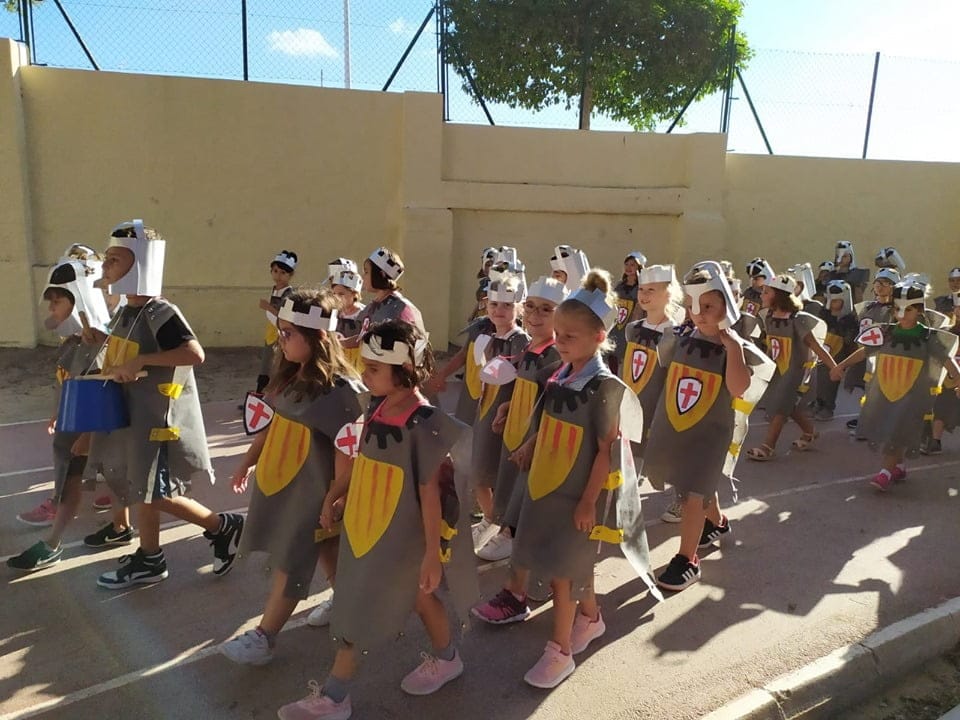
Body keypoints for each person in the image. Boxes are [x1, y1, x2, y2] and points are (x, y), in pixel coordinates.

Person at [277, 320, 475, 720]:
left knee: (374, 598)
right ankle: (448, 657)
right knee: (418, 599)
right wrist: (336, 492)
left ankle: (335, 696)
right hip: (367, 524)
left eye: (372, 369)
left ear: (404, 372)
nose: (363, 375)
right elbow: (364, 458)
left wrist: (432, 554)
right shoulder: (378, 406)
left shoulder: (423, 423)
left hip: (405, 534)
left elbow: (429, 492)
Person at [509, 269, 658, 688]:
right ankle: (590, 618)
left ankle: (560, 652)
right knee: (569, 564)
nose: (559, 342)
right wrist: (530, 445)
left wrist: (589, 502)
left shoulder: (604, 388)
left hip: (577, 494)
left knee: (561, 573)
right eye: (558, 333)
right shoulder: (561, 373)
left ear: (599, 337)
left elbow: (606, 450)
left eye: (569, 336)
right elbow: (551, 420)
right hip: (548, 486)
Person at [85, 220, 243, 588]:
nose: (107, 266)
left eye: (114, 260)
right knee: (144, 488)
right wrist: (96, 341)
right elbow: (121, 353)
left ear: (139, 266)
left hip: (158, 419)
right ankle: (150, 558)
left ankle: (222, 526)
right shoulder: (126, 311)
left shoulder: (160, 311)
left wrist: (141, 362)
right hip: (133, 416)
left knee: (154, 492)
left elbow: (194, 353)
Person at [220, 289, 367, 665]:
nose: (280, 340)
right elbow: (273, 426)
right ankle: (350, 603)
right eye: (280, 332)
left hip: (313, 493)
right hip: (287, 484)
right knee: (328, 551)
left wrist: (336, 497)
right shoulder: (291, 378)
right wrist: (247, 461)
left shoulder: (339, 392)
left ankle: (263, 636)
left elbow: (346, 449)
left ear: (317, 338)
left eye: (289, 334)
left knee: (293, 557)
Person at [644, 261, 773, 592]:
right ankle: (717, 523)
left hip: (710, 433)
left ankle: (688, 559)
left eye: (708, 307)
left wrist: (732, 349)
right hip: (680, 428)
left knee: (693, 493)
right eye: (692, 305)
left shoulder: (734, 345)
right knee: (694, 487)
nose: (699, 313)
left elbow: (739, 387)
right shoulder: (680, 336)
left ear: (725, 307)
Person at [8, 257, 132, 570]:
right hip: (74, 425)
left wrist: (88, 437)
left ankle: (58, 542)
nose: (51, 309)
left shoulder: (105, 344)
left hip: (93, 430)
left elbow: (108, 397)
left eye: (57, 301)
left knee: (108, 479)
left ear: (79, 298)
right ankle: (113, 529)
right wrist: (57, 411)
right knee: (81, 479)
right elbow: (66, 380)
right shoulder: (75, 341)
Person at [471, 276, 567, 620]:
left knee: (532, 522)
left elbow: (555, 410)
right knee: (522, 515)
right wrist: (507, 409)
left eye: (546, 310)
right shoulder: (531, 348)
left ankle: (523, 595)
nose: (535, 316)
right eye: (531, 307)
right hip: (519, 442)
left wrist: (532, 442)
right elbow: (528, 394)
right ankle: (535, 589)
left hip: (537, 451)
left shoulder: (555, 354)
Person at [831, 279, 960, 490]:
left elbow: (947, 359)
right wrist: (841, 366)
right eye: (897, 308)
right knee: (892, 428)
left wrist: (958, 378)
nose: (902, 313)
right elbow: (865, 350)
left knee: (897, 428)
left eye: (908, 309)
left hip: (913, 394)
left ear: (919, 310)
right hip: (887, 390)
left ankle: (885, 472)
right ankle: (898, 466)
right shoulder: (885, 331)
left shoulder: (928, 337)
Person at [616, 264, 686, 523]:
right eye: (642, 289)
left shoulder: (676, 334)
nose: (644, 295)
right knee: (630, 451)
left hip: (661, 402)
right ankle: (625, 502)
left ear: (669, 293)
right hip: (634, 401)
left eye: (652, 290)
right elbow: (628, 368)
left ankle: (682, 499)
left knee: (670, 454)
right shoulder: (633, 328)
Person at [470, 276, 530, 556]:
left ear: (519, 308)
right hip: (486, 412)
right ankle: (490, 519)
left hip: (508, 416)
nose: (498, 310)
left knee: (501, 475)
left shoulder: (521, 341)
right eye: (493, 304)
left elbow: (517, 377)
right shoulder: (487, 338)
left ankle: (503, 527)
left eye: (506, 305)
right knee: (480, 473)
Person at [746, 274, 833, 460]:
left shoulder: (796, 320)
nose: (762, 295)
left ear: (778, 295)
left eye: (766, 291)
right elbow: (771, 346)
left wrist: (833, 367)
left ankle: (767, 446)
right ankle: (810, 432)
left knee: (780, 407)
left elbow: (815, 346)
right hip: (778, 370)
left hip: (796, 370)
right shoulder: (769, 317)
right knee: (789, 406)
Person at [342, 248, 424, 348]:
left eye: (366, 272)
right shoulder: (373, 306)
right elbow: (363, 339)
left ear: (381, 275)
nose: (363, 277)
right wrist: (339, 342)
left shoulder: (400, 309)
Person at [251, 250, 297, 397]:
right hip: (270, 333)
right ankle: (260, 395)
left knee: (275, 366)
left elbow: (286, 315)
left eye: (283, 272)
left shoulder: (288, 293)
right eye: (275, 271)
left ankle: (272, 396)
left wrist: (268, 307)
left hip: (280, 334)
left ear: (290, 275)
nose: (278, 275)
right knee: (266, 365)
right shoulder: (275, 290)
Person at [812, 280, 859, 421]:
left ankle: (828, 407)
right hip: (823, 351)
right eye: (830, 300)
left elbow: (850, 342)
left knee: (831, 381)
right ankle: (819, 401)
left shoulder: (850, 319)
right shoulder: (824, 314)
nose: (832, 304)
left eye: (836, 301)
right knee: (820, 379)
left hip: (838, 355)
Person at [923, 293, 960, 455]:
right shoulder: (948, 331)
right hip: (950, 377)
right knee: (941, 407)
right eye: (958, 307)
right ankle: (935, 441)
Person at [608, 251, 646, 375]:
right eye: (627, 264)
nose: (629, 268)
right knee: (611, 356)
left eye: (633, 265)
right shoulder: (619, 286)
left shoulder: (642, 288)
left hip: (629, 328)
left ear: (639, 267)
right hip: (615, 326)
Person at [330, 269, 365, 372]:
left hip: (357, 362)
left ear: (354, 294)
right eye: (334, 294)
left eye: (341, 294)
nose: (337, 298)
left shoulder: (363, 314)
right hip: (337, 359)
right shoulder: (334, 313)